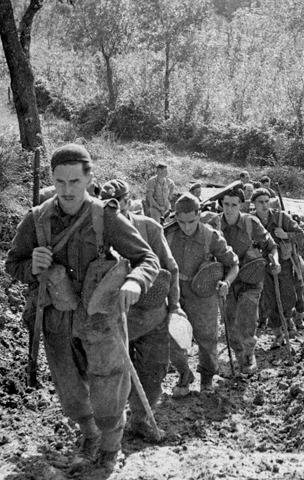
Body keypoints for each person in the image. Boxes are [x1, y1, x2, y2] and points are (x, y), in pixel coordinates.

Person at [6, 144, 160, 471]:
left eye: (74, 182)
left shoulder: (106, 217)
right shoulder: (36, 219)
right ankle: (88, 434)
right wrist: (32, 266)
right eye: (60, 182)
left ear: (89, 179)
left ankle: (109, 445)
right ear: (52, 180)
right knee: (70, 386)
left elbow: (148, 259)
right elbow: (12, 264)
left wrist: (135, 282)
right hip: (57, 319)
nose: (67, 190)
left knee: (108, 382)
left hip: (100, 317)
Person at [99, 179, 183, 442]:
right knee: (108, 376)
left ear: (128, 201)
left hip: (151, 316)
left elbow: (171, 268)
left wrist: (175, 306)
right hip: (113, 320)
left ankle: (141, 420)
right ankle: (107, 429)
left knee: (153, 370)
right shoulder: (95, 232)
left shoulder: (148, 227)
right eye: (108, 205)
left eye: (120, 203)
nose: (116, 210)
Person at [166, 194, 239, 393]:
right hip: (175, 292)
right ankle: (184, 374)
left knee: (207, 338)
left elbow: (233, 264)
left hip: (203, 294)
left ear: (199, 215)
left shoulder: (211, 236)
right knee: (172, 337)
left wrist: (226, 282)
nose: (187, 227)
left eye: (191, 221)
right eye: (181, 222)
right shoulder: (168, 235)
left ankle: (206, 378)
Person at [219, 187, 279, 374]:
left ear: (241, 205)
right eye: (226, 204)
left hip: (250, 279)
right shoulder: (214, 224)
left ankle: (248, 357)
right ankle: (238, 356)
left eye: (234, 205)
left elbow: (270, 246)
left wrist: (275, 261)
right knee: (230, 321)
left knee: (246, 318)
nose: (229, 209)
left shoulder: (250, 223)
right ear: (221, 204)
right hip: (227, 280)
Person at [253, 188, 303, 347]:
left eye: (266, 201)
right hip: (262, 267)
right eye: (260, 202)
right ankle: (278, 335)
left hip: (284, 266)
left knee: (288, 296)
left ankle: (289, 321)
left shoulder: (281, 218)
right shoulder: (250, 221)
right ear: (254, 204)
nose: (264, 205)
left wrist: (286, 235)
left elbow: (301, 236)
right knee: (269, 301)